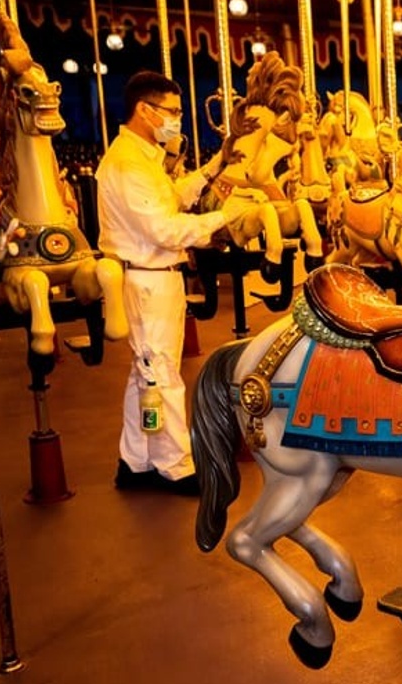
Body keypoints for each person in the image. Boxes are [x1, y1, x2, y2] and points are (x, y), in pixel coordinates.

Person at [98, 71, 251, 495]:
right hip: (149, 281)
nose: (176, 121)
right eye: (173, 112)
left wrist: (216, 165)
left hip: (157, 278)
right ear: (145, 111)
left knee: (144, 377)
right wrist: (226, 215)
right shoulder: (128, 164)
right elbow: (164, 229)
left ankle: (137, 458)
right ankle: (177, 466)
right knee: (160, 373)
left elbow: (172, 197)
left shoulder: (143, 158)